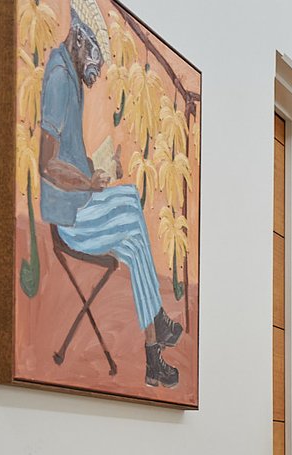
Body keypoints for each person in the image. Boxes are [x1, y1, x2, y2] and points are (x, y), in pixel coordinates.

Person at [38, 0, 183, 388]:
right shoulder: (57, 78)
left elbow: (68, 154)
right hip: (68, 218)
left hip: (80, 202)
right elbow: (47, 165)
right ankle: (156, 339)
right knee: (133, 224)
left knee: (132, 208)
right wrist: (89, 183)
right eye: (95, 54)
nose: (96, 66)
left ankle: (155, 345)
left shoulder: (70, 74)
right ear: (80, 38)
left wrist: (97, 168)